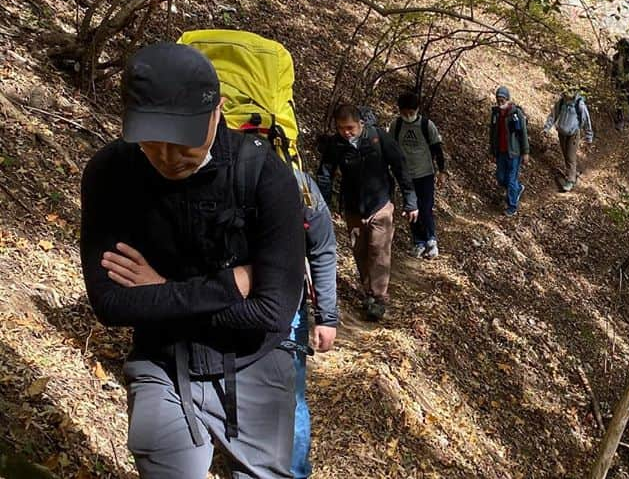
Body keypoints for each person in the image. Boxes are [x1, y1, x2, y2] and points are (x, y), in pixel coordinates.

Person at [81, 42, 305, 479]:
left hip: (255, 365)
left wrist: (158, 292)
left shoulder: (264, 176)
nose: (167, 156)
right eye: (151, 140)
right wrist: (226, 287)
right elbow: (109, 303)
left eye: (181, 138)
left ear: (218, 110)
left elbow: (274, 311)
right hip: (160, 363)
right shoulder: (111, 174)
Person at [316, 104, 417, 321]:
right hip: (353, 207)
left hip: (380, 204)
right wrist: (322, 205)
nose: (347, 132)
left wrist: (411, 201)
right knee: (360, 251)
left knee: (379, 251)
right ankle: (368, 293)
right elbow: (325, 174)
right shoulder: (336, 145)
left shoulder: (378, 138)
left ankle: (379, 298)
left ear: (360, 123)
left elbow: (400, 166)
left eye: (350, 127)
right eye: (341, 128)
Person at [288, 170, 337, 479]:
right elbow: (322, 248)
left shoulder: (213, 171)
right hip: (287, 303)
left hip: (225, 301)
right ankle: (295, 472)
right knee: (292, 396)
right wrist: (326, 317)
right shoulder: (299, 181)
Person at [388, 90, 447, 260]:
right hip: (405, 175)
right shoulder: (396, 125)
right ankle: (418, 241)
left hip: (425, 173)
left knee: (425, 207)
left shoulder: (427, 126)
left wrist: (442, 171)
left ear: (417, 110)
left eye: (411, 112)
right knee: (411, 209)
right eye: (404, 112)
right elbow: (391, 147)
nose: (408, 116)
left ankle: (431, 239)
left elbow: (437, 149)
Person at [542, 88, 594, 192]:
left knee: (570, 156)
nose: (566, 95)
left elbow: (586, 120)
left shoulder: (580, 105)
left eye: (569, 93)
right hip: (561, 133)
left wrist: (589, 136)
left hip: (573, 134)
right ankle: (571, 172)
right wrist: (546, 128)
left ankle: (570, 180)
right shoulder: (561, 102)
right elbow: (553, 115)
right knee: (566, 154)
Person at [489, 86, 530, 216]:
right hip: (501, 152)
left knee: (511, 179)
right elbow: (492, 133)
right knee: (501, 178)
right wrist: (492, 151)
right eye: (498, 99)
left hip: (514, 152)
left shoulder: (516, 113)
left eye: (502, 99)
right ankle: (517, 189)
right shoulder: (495, 113)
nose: (500, 102)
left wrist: (525, 152)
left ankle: (512, 206)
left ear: (507, 99)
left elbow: (523, 133)